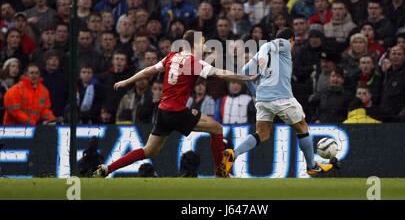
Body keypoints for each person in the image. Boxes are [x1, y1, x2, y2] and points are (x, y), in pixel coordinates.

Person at [93, 30, 257, 178]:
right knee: (217, 129)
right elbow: (221, 74)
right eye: (202, 41)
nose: (205, 44)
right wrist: (246, 78)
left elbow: (149, 70)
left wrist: (127, 81)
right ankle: (221, 174)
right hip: (177, 111)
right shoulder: (194, 61)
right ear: (194, 44)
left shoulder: (172, 56)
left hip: (163, 111)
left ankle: (107, 168)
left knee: (150, 150)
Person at [222, 28, 337, 178]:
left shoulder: (262, 54)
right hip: (281, 97)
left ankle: (233, 154)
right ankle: (312, 166)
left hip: (263, 98)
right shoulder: (282, 46)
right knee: (302, 128)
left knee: (262, 134)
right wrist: (263, 59)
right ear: (291, 40)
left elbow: (244, 71)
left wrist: (255, 93)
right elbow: (267, 46)